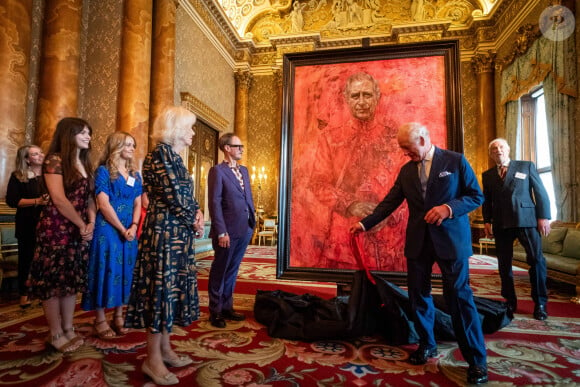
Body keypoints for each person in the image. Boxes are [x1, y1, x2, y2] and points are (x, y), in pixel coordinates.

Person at [349, 122, 488, 385]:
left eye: (408, 148)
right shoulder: (406, 172)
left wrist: (448, 208)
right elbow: (390, 202)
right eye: (402, 149)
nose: (405, 153)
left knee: (460, 298)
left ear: (424, 139)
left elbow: (475, 196)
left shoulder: (455, 161)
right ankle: (427, 345)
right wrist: (364, 223)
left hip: (451, 242)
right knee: (418, 297)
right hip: (419, 242)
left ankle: (477, 361)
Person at [125, 106, 204, 386]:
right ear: (176, 129)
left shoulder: (174, 156)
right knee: (160, 292)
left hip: (176, 232)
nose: (193, 132)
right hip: (164, 233)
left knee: (170, 291)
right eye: (190, 127)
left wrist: (198, 213)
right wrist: (193, 218)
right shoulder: (159, 154)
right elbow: (173, 195)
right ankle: (152, 359)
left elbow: (186, 196)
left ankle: (166, 348)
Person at [304, 71, 405, 271]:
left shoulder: (395, 138)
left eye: (367, 95)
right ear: (346, 99)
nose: (361, 101)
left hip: (388, 239)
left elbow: (410, 186)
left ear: (377, 97)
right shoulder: (330, 138)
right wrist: (351, 205)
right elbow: (317, 183)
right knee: (347, 293)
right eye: (355, 96)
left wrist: (388, 215)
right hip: (344, 235)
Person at [27, 117, 96, 353]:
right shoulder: (55, 160)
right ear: (69, 134)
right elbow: (58, 199)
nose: (88, 136)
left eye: (89, 132)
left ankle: (68, 328)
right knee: (53, 282)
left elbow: (89, 198)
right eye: (83, 132)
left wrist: (91, 223)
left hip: (78, 228)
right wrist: (80, 224)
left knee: (70, 281)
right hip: (56, 227)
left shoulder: (85, 163)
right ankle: (55, 332)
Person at [482, 138, 551, 320]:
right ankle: (510, 301)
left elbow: (541, 192)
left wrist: (543, 217)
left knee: (536, 260)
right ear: (491, 154)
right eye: (494, 148)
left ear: (508, 149)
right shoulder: (487, 175)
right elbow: (487, 201)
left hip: (526, 220)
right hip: (501, 223)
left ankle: (540, 303)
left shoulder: (526, 166)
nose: (498, 150)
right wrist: (486, 221)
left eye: (501, 147)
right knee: (504, 265)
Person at [81, 132, 142, 338]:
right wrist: (121, 228)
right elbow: (103, 204)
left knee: (126, 270)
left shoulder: (135, 175)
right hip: (107, 228)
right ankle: (99, 320)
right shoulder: (104, 172)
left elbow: (138, 202)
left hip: (130, 230)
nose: (132, 148)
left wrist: (133, 226)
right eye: (127, 144)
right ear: (116, 146)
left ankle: (118, 315)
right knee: (104, 269)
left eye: (133, 145)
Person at [207, 133, 256, 328]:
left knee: (233, 270)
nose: (241, 149)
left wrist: (252, 223)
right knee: (221, 269)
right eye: (238, 146)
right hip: (226, 231)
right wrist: (220, 232)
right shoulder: (217, 171)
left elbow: (247, 197)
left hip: (244, 228)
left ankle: (227, 307)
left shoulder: (244, 171)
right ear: (227, 148)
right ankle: (215, 311)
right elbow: (215, 202)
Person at [5, 145, 49, 309]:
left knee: (45, 259)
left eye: (40, 152)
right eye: (35, 154)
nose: (40, 156)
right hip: (27, 224)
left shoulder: (49, 175)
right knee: (27, 259)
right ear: (26, 159)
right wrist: (38, 201)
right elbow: (12, 201)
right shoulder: (18, 176)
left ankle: (40, 292)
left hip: (48, 225)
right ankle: (24, 294)